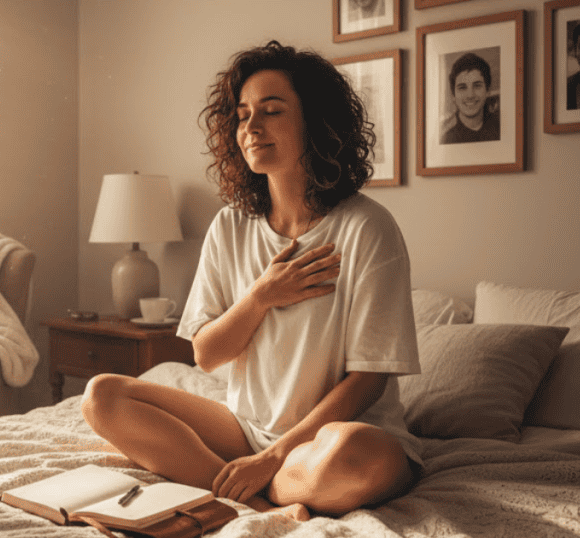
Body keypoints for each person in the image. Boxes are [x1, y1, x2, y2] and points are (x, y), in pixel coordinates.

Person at [81, 40, 422, 522]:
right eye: (242, 115)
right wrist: (263, 295)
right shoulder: (230, 226)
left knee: (358, 455)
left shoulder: (366, 228)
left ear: (316, 121)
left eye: (272, 110)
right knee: (102, 396)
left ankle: (247, 479)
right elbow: (206, 353)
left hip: (331, 437)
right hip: (245, 428)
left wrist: (274, 457)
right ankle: (255, 501)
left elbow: (369, 380)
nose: (251, 128)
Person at [441, 52, 500, 144]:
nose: (470, 95)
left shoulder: (503, 129)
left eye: (477, 86)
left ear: (488, 91)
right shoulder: (446, 140)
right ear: (453, 96)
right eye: (462, 87)